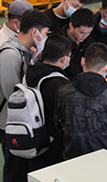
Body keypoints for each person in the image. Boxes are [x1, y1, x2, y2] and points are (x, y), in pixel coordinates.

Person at [0, 11, 51, 182]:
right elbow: (15, 97)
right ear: (34, 32)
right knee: (15, 173)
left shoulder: (22, 51)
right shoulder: (10, 55)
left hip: (19, 123)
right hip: (11, 124)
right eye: (45, 33)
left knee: (20, 171)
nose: (46, 37)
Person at [56, 43, 107, 159]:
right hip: (105, 155)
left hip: (73, 155)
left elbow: (58, 125)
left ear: (82, 61)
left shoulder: (63, 92)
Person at [25, 35, 72, 171]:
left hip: (33, 136)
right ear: (64, 59)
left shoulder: (31, 72)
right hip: (52, 144)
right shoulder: (59, 84)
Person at [58, 8, 95, 79]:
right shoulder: (58, 43)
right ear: (71, 25)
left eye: (88, 32)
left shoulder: (90, 43)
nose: (85, 36)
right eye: (81, 32)